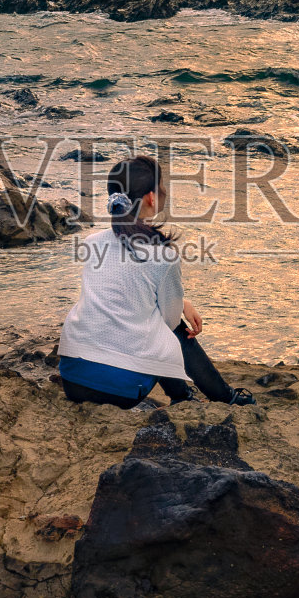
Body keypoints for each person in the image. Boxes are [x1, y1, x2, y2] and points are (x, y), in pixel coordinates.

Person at [58, 155, 253, 409]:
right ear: (151, 197)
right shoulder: (163, 255)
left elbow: (129, 293)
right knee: (174, 328)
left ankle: (185, 396)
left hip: (73, 376)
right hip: (120, 387)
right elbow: (170, 323)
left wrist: (181, 301)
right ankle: (224, 396)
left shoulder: (92, 243)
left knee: (144, 320)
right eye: (162, 187)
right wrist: (179, 303)